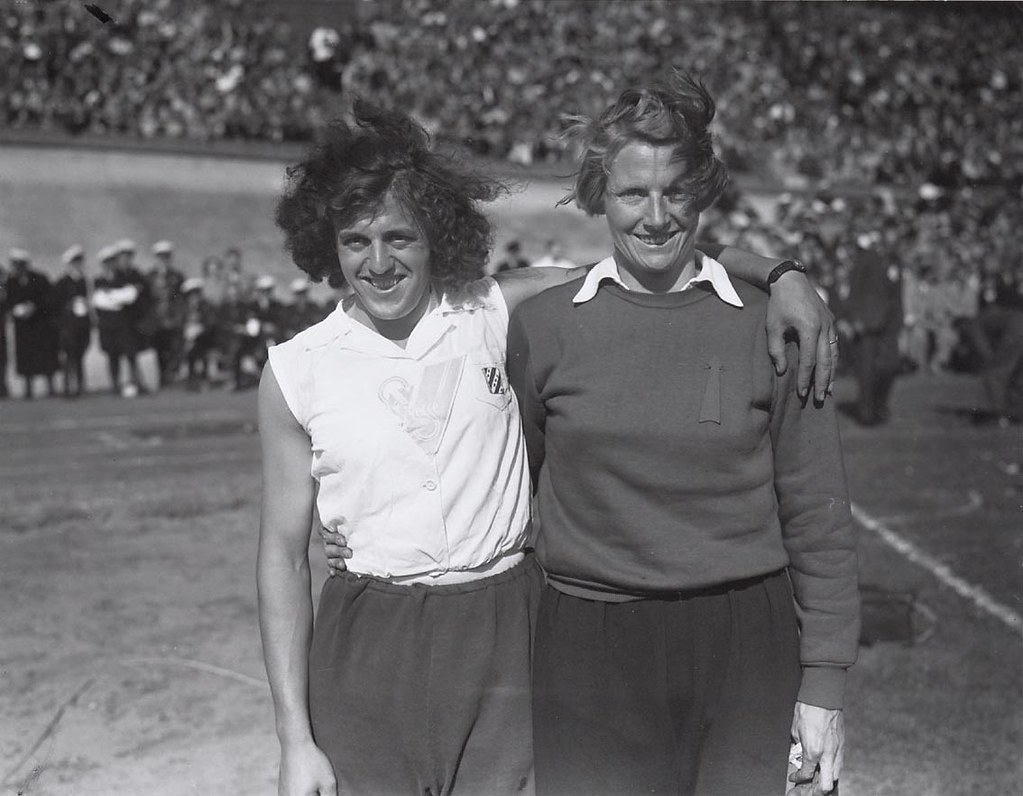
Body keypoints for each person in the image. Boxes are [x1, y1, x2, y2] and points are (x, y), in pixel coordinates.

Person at [264, 101, 838, 796]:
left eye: (400, 236)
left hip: (504, 629)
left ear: (435, 232)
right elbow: (280, 558)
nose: (379, 262)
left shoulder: (495, 310)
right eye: (356, 240)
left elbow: (652, 255)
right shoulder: (296, 368)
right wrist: (293, 737)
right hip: (369, 637)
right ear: (326, 244)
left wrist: (782, 274)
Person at [504, 72, 859, 796]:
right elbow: (502, 492)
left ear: (704, 192)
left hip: (744, 643)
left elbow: (817, 514)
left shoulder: (775, 324)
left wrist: (824, 683)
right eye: (633, 193)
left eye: (677, 191)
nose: (657, 216)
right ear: (600, 194)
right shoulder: (543, 326)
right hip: (586, 641)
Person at [839, 232, 903, 425]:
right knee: (866, 370)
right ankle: (866, 413)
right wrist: (855, 318)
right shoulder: (866, 258)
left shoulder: (895, 262)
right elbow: (854, 288)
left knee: (890, 365)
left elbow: (897, 296)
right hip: (866, 323)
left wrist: (899, 323)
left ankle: (879, 405)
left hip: (889, 323)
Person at [92, 242, 149, 397]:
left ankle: (136, 382)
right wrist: (118, 297)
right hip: (107, 326)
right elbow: (99, 301)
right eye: (107, 263)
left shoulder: (123, 277)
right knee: (112, 356)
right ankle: (115, 385)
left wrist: (111, 296)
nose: (110, 265)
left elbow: (130, 296)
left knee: (130, 355)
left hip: (123, 325)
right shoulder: (98, 280)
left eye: (112, 262)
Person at [5, 248, 58, 399]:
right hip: (23, 327)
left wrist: (34, 307)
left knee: (46, 355)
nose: (16, 268)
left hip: (40, 325)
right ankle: (28, 389)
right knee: (25, 357)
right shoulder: (11, 282)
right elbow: (8, 302)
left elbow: (49, 299)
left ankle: (51, 388)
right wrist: (15, 309)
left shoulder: (39, 278)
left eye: (19, 265)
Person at [52, 245, 93, 397]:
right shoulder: (62, 282)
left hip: (82, 324)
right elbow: (56, 304)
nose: (78, 265)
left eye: (79, 262)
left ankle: (80, 386)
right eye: (75, 262)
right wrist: (69, 307)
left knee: (80, 355)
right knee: (69, 356)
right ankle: (68, 387)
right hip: (68, 326)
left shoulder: (83, 280)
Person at [146, 240, 186, 387]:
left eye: (166, 256)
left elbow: (181, 298)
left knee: (174, 348)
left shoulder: (177, 276)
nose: (163, 260)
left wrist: (178, 316)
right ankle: (162, 378)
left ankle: (172, 376)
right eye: (160, 257)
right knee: (159, 349)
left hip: (172, 318)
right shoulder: (149, 276)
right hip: (156, 319)